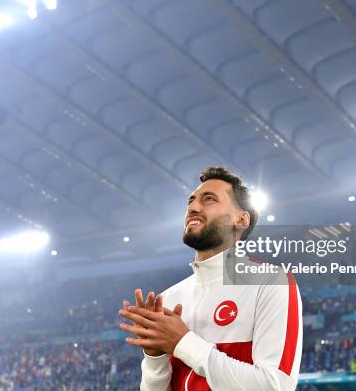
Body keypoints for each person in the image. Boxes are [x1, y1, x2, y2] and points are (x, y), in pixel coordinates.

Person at [118, 167, 302, 390]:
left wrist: (182, 342)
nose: (193, 208)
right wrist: (155, 358)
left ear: (241, 219)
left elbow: (275, 386)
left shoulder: (271, 282)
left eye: (209, 199)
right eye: (191, 201)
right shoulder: (167, 298)